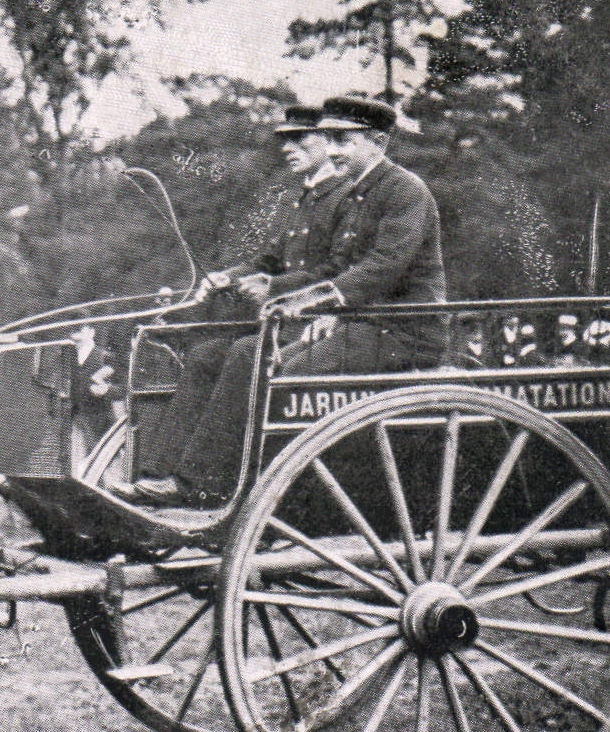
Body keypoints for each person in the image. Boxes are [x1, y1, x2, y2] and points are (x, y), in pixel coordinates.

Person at [131, 96, 445, 507]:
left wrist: (310, 299)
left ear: (379, 143)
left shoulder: (405, 191)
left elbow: (384, 266)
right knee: (232, 355)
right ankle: (177, 476)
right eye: (329, 140)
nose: (332, 150)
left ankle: (227, 488)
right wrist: (307, 300)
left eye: (342, 141)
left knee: (272, 362)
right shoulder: (357, 195)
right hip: (360, 325)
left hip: (403, 331)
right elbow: (341, 264)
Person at [132, 103, 352, 484]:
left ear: (330, 141)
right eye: (284, 139)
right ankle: (156, 474)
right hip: (284, 325)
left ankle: (199, 482)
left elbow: (339, 271)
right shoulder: (297, 200)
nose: (287, 147)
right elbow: (269, 260)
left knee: (244, 354)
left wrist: (275, 287)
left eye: (299, 138)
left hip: (317, 326)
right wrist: (228, 276)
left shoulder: (348, 197)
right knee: (203, 357)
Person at [68, 323, 117, 463]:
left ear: (91, 332)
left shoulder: (106, 357)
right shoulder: (66, 358)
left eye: (79, 329)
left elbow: (123, 388)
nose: (75, 335)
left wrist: (107, 390)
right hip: (72, 419)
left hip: (99, 419)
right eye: (73, 331)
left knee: (100, 463)